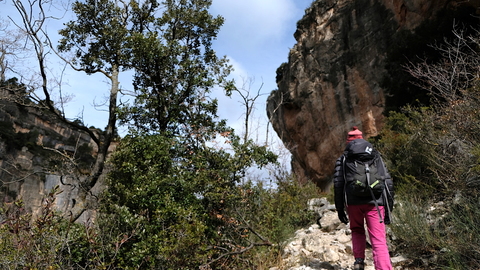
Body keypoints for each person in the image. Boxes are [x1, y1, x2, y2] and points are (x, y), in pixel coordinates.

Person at [333, 126, 394, 270]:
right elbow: (387, 181)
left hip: (353, 203)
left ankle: (359, 261)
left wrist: (340, 208)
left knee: (357, 230)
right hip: (375, 202)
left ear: (348, 141)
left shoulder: (344, 158)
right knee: (378, 239)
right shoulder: (375, 155)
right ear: (362, 138)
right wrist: (388, 207)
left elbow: (338, 184)